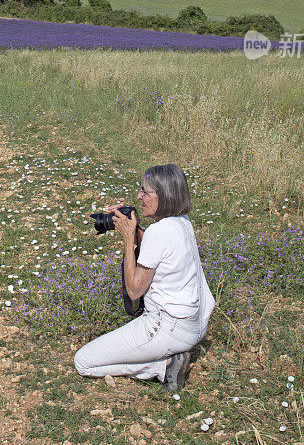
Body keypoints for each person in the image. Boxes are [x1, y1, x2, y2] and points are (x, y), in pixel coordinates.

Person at [73, 164, 216, 392]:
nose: (139, 196)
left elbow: (134, 291)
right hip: (195, 325)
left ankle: (164, 365)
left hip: (168, 328)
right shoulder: (181, 221)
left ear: (165, 196)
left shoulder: (159, 232)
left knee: (83, 361)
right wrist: (135, 227)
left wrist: (129, 238)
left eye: (145, 192)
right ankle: (167, 357)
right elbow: (155, 245)